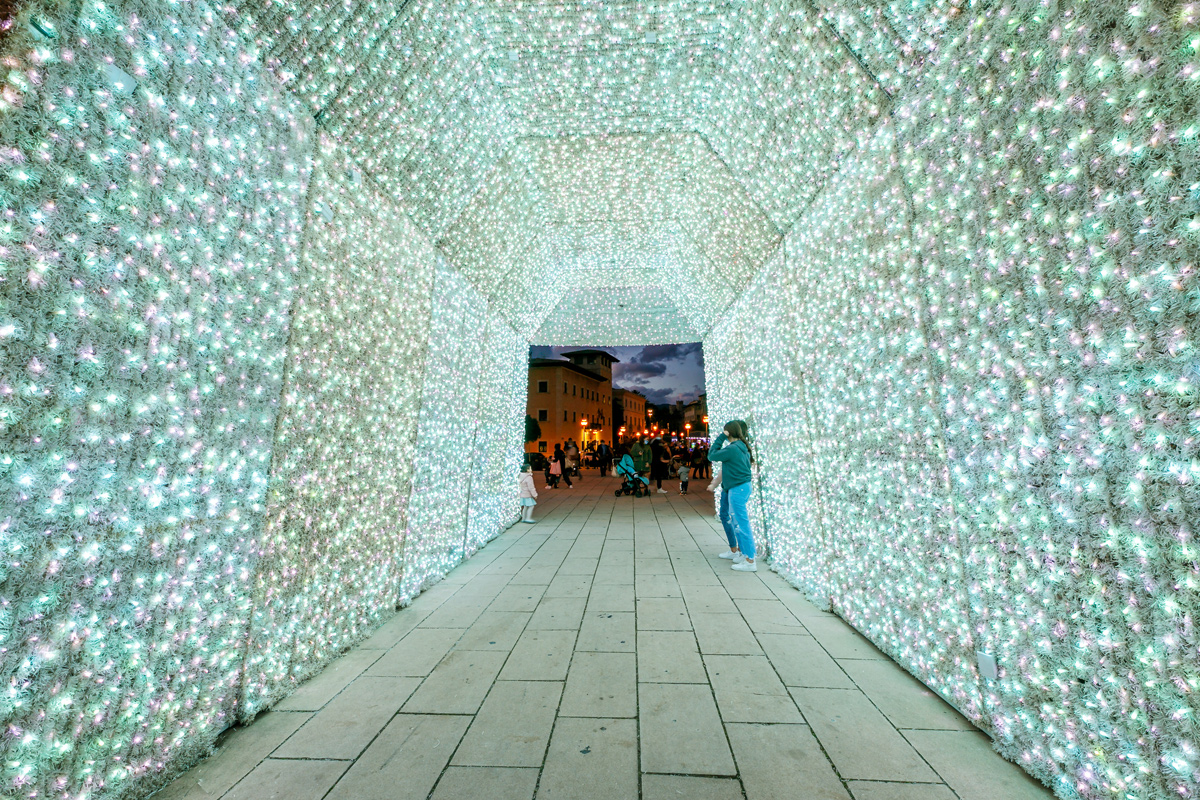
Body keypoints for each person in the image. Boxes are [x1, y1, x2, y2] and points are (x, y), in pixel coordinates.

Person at [708, 420, 757, 571]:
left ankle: (750, 561)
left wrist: (721, 437)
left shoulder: (733, 448)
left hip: (737, 489)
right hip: (740, 487)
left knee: (742, 523)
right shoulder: (740, 447)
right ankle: (745, 555)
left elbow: (711, 455)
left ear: (728, 432)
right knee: (738, 522)